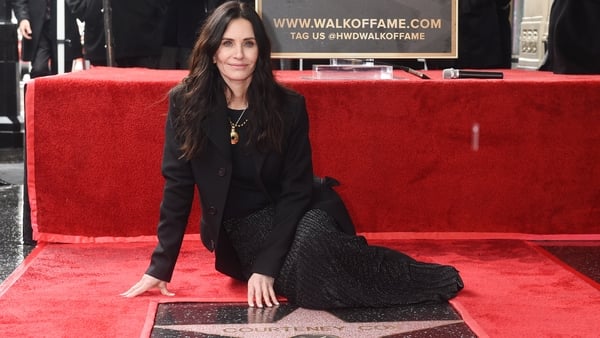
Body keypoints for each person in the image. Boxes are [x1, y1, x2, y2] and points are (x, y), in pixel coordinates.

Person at [121, 1, 463, 309]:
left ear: (261, 51)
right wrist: (160, 267)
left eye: (248, 43)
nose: (238, 54)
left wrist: (267, 267)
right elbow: (178, 186)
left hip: (297, 212)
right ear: (212, 52)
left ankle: (415, 277)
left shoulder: (288, 106)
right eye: (227, 43)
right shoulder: (186, 102)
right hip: (241, 232)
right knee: (315, 282)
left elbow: (296, 191)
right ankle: (382, 272)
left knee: (316, 246)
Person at [66, 0, 168, 68]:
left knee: (143, 97)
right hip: (101, 41)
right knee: (104, 97)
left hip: (143, 41)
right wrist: (90, 7)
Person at [11, 0, 82, 78]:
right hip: (39, 27)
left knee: (62, 72)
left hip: (64, 24)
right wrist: (23, 18)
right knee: (39, 69)